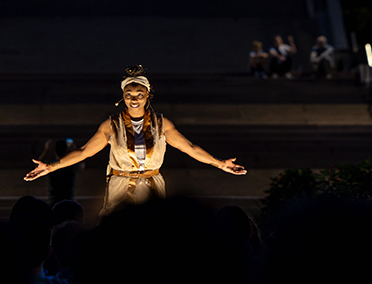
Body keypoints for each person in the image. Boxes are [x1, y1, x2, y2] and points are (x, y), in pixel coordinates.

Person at [24, 65, 246, 215]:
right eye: (129, 94)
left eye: (139, 94)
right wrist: (51, 167)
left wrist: (219, 163)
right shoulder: (111, 125)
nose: (134, 99)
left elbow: (189, 147)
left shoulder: (162, 124)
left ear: (148, 95)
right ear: (123, 96)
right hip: (120, 187)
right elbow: (84, 152)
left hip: (152, 187)